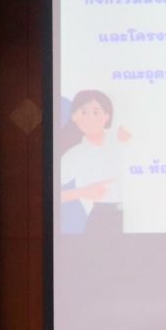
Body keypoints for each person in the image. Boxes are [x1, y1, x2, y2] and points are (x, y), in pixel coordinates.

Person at [60, 89, 130, 234]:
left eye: (96, 112)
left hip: (139, 211)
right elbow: (53, 195)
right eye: (83, 112)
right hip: (102, 218)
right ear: (74, 117)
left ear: (107, 116)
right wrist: (83, 192)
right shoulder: (73, 155)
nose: (90, 118)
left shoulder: (123, 139)